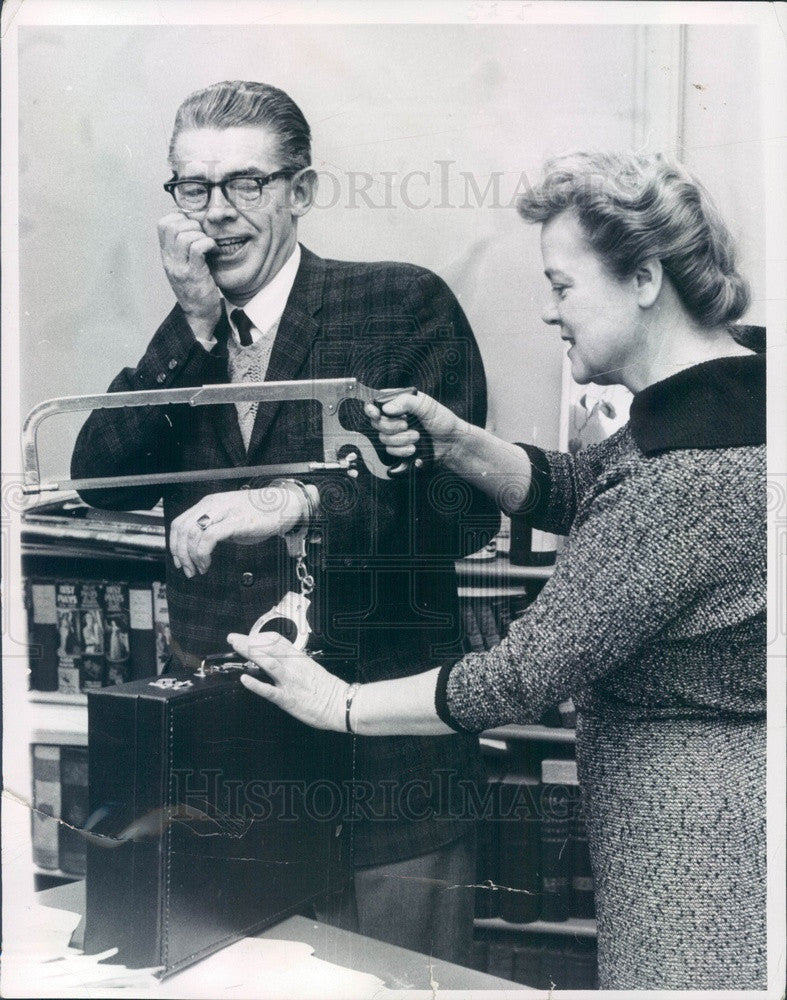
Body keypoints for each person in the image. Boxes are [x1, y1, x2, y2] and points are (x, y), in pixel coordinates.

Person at [229, 151, 767, 990]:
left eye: (561, 285)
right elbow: (589, 488)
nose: (548, 312)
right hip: (701, 817)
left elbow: (517, 678)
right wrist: (458, 441)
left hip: (697, 848)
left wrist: (334, 704)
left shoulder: (690, 473)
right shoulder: (721, 405)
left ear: (643, 278)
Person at [70, 81, 499, 962]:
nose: (217, 215)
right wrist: (190, 326)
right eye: (194, 188)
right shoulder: (187, 338)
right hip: (231, 780)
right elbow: (99, 483)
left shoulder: (398, 304)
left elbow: (456, 511)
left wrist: (293, 504)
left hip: (384, 776)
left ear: (299, 192)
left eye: (245, 185)